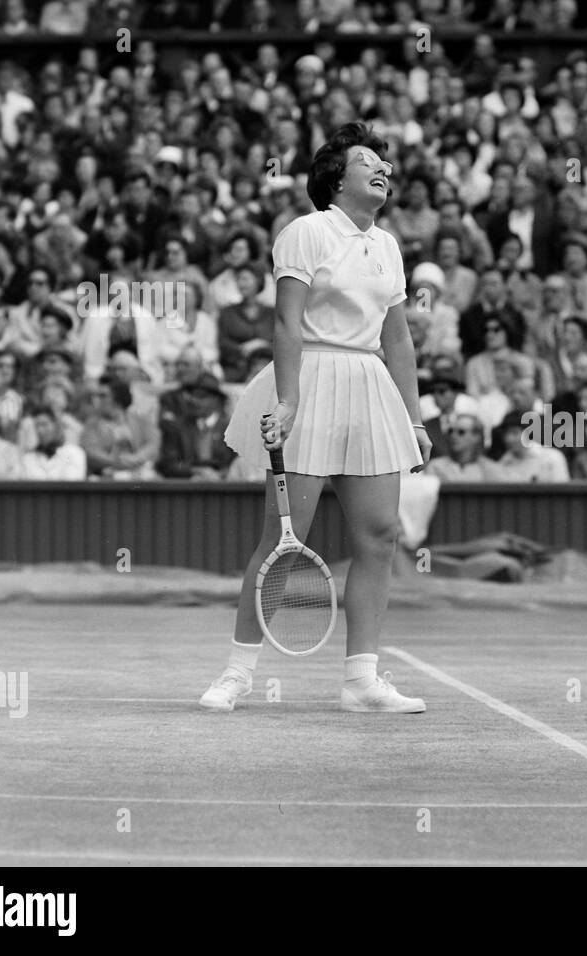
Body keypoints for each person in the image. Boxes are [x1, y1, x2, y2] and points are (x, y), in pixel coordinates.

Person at [202, 122, 432, 715]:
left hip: (369, 386)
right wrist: (286, 399)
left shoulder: (387, 245)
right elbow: (285, 323)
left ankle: (362, 681)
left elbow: (398, 339)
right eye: (367, 161)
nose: (382, 168)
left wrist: (415, 418)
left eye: (385, 161)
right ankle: (238, 672)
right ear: (336, 178)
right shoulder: (305, 233)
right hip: (309, 380)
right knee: (284, 539)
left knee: (378, 536)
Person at [20, 404, 87, 479]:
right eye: (37, 426)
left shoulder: (74, 453)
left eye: (44, 424)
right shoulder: (28, 458)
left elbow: (72, 486)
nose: (40, 431)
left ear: (56, 425)